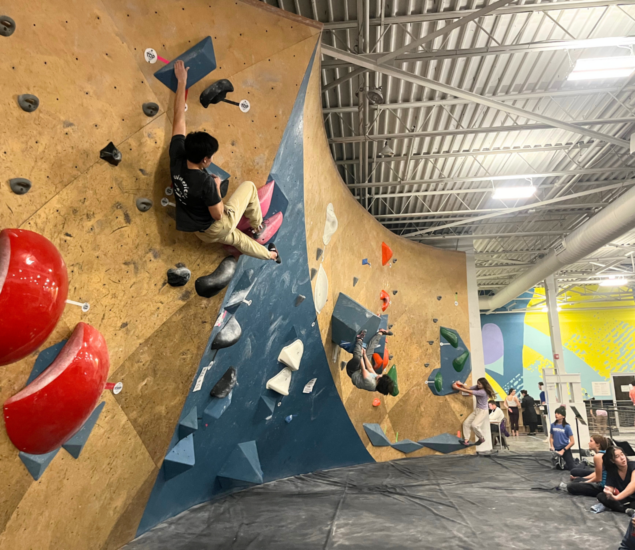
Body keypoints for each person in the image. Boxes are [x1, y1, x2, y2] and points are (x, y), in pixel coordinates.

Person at [169, 60, 280, 263]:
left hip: (200, 231)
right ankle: (257, 225)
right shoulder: (206, 183)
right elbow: (219, 214)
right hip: (216, 225)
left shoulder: (178, 155)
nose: (211, 159)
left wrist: (181, 82)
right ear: (204, 160)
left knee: (237, 239)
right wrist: (217, 187)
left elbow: (178, 119)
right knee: (248, 188)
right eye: (210, 157)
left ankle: (271, 255)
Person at [345, 330, 395, 395]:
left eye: (380, 376)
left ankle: (359, 339)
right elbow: (370, 368)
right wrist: (365, 355)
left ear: (379, 382)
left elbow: (364, 369)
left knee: (357, 358)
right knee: (369, 351)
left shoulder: (371, 384)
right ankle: (380, 333)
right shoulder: (378, 380)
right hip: (361, 371)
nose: (379, 375)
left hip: (352, 372)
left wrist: (361, 353)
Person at [454, 378, 495, 446]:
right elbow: (469, 388)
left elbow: (469, 391)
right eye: (478, 383)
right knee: (466, 423)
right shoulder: (477, 387)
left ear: (484, 384)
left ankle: (481, 438)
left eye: (479, 384)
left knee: (474, 425)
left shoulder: (483, 392)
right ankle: (466, 441)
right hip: (477, 410)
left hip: (483, 411)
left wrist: (457, 388)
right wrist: (461, 384)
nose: (478, 385)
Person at [597, 446, 635, 513]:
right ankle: (625, 510)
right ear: (612, 460)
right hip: (626, 498)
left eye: (622, 454)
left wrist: (616, 497)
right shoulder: (612, 471)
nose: (622, 458)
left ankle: (623, 507)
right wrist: (609, 492)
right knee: (601, 496)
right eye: (617, 456)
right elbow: (610, 487)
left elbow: (632, 485)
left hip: (629, 498)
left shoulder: (633, 465)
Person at [550, 406, 576, 470]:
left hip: (565, 449)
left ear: (563, 416)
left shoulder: (567, 427)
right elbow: (551, 437)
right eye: (555, 413)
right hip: (556, 449)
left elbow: (572, 442)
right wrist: (552, 446)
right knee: (558, 468)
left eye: (558, 413)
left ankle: (582, 462)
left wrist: (563, 450)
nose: (556, 415)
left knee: (572, 468)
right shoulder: (553, 425)